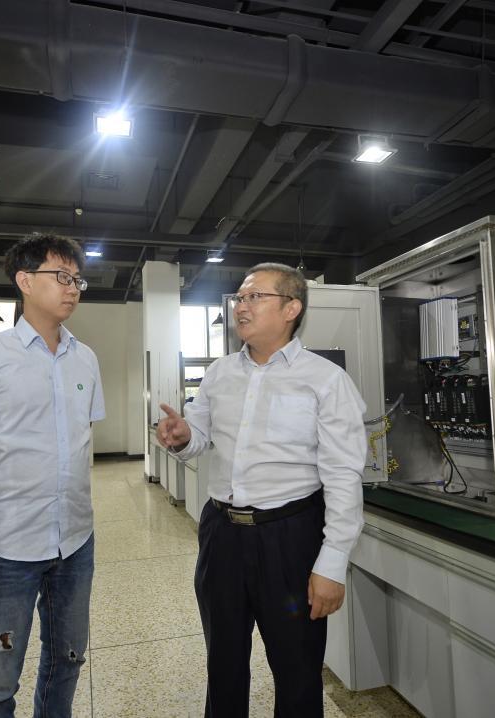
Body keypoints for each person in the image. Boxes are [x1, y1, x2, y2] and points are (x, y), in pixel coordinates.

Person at [156, 263, 367, 717]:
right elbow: (199, 436)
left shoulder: (326, 380)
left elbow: (343, 476)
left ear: (291, 308)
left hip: (290, 537)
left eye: (255, 297)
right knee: (223, 662)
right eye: (239, 297)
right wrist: (182, 436)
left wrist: (332, 563)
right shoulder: (219, 374)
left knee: (297, 669)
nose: (241, 307)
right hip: (222, 536)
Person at [0, 234, 104, 718]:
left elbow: (81, 442)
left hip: (75, 539)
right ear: (25, 281)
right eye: (61, 276)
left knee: (67, 660)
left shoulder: (85, 358)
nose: (72, 288)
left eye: (77, 279)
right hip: (9, 546)